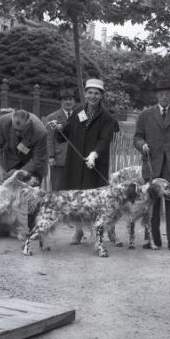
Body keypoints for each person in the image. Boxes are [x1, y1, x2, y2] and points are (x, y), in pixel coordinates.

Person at [48, 78, 116, 244]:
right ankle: (78, 231)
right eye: (90, 93)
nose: (93, 96)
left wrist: (95, 153)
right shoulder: (79, 111)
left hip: (95, 162)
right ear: (85, 94)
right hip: (77, 162)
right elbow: (68, 130)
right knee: (78, 197)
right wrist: (59, 127)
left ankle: (97, 233)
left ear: (101, 96)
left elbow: (105, 139)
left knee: (94, 198)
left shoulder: (106, 117)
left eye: (96, 93)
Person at [133, 79, 170, 251]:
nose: (164, 97)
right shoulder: (145, 115)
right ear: (156, 96)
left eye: (167, 94)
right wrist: (142, 145)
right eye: (161, 94)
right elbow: (137, 137)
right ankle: (154, 239)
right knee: (152, 204)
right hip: (152, 165)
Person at [0, 108, 48, 229]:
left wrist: (17, 173)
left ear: (28, 124)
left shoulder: (40, 131)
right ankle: (3, 228)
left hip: (32, 164)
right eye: (15, 130)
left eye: (21, 131)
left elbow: (38, 160)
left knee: (33, 198)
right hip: (11, 159)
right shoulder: (3, 122)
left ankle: (33, 229)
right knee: (4, 197)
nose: (17, 133)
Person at [43, 88, 76, 191]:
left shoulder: (80, 116)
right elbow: (49, 138)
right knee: (58, 187)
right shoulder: (52, 117)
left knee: (74, 189)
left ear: (74, 101)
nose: (68, 102)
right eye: (65, 99)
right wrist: (51, 156)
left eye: (70, 99)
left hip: (75, 158)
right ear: (61, 102)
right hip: (59, 158)